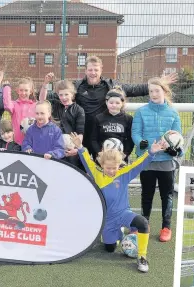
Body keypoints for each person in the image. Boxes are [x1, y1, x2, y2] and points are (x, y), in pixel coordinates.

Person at [39, 56, 177, 156]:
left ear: (101, 70)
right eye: (90, 70)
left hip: (101, 135)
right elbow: (50, 97)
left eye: (96, 70)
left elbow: (133, 89)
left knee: (101, 172)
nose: (93, 73)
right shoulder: (77, 86)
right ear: (85, 70)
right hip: (82, 135)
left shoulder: (111, 85)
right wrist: (42, 88)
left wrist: (158, 83)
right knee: (82, 171)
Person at [70, 132, 165, 273]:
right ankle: (119, 233)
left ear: (118, 165)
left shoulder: (123, 174)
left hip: (123, 213)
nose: (112, 170)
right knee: (110, 248)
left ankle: (142, 257)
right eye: (108, 168)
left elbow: (139, 165)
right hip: (107, 219)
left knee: (143, 223)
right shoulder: (96, 173)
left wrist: (151, 152)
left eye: (114, 167)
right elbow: (86, 160)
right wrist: (80, 147)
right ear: (102, 165)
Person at [132, 77, 182, 242]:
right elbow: (136, 133)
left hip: (166, 162)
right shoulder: (141, 111)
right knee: (147, 194)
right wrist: (141, 142)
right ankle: (144, 225)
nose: (153, 94)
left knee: (167, 195)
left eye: (157, 90)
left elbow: (177, 136)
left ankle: (166, 227)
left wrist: (174, 149)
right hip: (147, 160)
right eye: (151, 91)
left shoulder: (173, 113)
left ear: (164, 91)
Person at [39, 75, 85, 169]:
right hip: (54, 148)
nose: (63, 97)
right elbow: (42, 100)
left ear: (72, 94)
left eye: (66, 94)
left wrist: (76, 148)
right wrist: (45, 84)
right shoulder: (55, 105)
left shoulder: (79, 110)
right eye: (61, 95)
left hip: (70, 150)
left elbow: (80, 132)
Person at [91, 86, 134, 163]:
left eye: (117, 103)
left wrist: (125, 153)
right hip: (103, 158)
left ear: (122, 103)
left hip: (120, 159)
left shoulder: (128, 119)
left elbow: (130, 140)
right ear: (106, 102)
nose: (114, 105)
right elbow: (93, 139)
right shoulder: (98, 118)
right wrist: (99, 152)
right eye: (111, 102)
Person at [3, 78, 47, 145]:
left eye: (26, 90)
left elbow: (42, 101)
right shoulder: (14, 104)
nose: (23, 93)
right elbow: (7, 106)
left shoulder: (35, 105)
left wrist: (45, 84)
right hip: (16, 143)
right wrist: (6, 88)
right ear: (17, 91)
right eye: (21, 90)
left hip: (32, 143)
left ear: (31, 91)